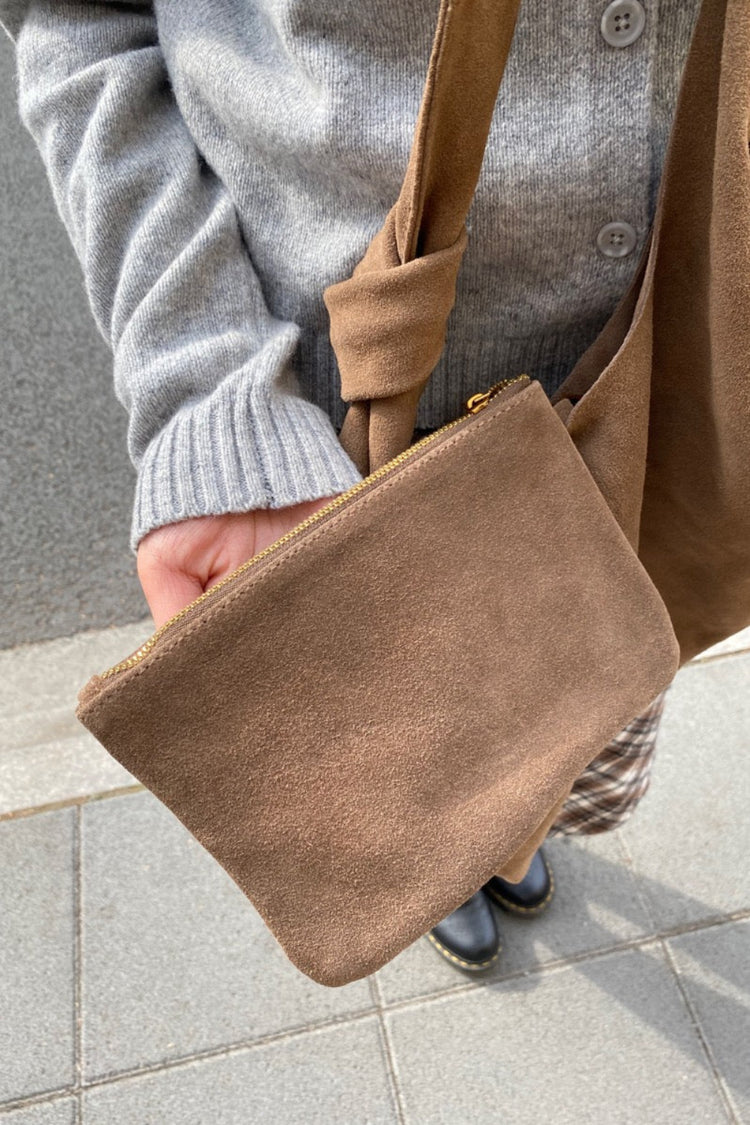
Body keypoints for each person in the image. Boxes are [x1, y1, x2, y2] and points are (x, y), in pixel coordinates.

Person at [0, 0, 699, 972]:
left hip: (630, 403)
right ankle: (440, 873)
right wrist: (206, 386)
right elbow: (79, 17)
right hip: (330, 435)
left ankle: (508, 840)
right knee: (402, 764)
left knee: (562, 728)